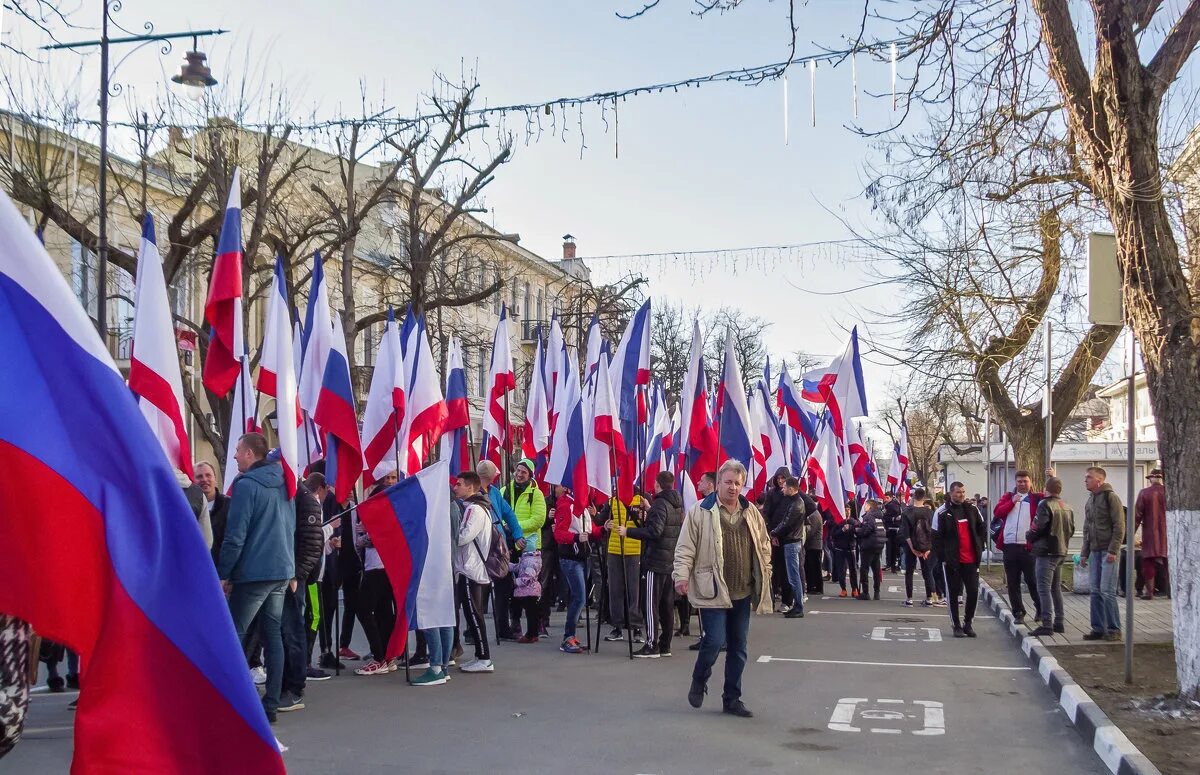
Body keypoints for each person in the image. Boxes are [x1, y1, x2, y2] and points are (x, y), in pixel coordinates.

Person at [675, 460, 773, 719]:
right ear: (717, 483)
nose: (732, 488)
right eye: (728, 482)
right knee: (714, 641)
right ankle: (699, 678)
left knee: (738, 648)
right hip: (713, 588)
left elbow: (763, 545)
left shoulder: (751, 511)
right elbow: (685, 547)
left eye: (737, 483)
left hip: (743, 590)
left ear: (743, 486)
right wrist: (681, 576)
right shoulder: (701, 510)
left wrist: (766, 571)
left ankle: (732, 698)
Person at [217, 433, 295, 723]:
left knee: (233, 633)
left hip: (253, 571)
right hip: (280, 569)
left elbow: (235, 535)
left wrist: (224, 573)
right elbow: (291, 525)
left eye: (237, 450)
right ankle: (271, 702)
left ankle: (231, 700)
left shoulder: (246, 485)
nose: (235, 456)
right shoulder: (285, 480)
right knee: (273, 635)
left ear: (250, 453)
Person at [623, 470, 685, 657]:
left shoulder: (660, 504)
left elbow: (655, 531)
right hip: (669, 561)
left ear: (658, 484)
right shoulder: (676, 504)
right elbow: (666, 524)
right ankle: (665, 644)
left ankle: (651, 645)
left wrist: (628, 532)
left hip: (655, 561)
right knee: (666, 604)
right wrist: (650, 509)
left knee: (650, 604)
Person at [278, 473, 326, 709]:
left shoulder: (305, 499)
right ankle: (282, 680)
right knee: (279, 632)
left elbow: (312, 542)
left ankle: (295, 686)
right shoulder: (285, 495)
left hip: (296, 578)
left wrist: (298, 574)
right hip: (279, 574)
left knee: (294, 629)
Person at [413, 497, 465, 687]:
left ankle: (436, 666)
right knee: (444, 617)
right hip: (446, 564)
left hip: (431, 565)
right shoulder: (451, 505)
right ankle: (442, 666)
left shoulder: (436, 506)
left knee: (431, 617)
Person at [476, 460, 524, 641]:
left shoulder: (494, 492)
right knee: (480, 589)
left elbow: (508, 513)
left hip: (499, 545)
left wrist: (518, 534)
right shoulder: (473, 493)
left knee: (504, 588)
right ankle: (473, 631)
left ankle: (503, 628)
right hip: (482, 545)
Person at [453, 471, 496, 673]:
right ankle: (480, 655)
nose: (455, 487)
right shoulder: (475, 507)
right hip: (469, 568)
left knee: (474, 615)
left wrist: (449, 532)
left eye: (459, 484)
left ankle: (485, 658)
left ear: (470, 487)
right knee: (471, 616)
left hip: (472, 570)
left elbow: (463, 537)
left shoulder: (475, 509)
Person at [933, 482, 986, 638]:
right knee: (953, 593)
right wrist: (943, 557)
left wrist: (980, 548)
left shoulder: (972, 509)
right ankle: (956, 625)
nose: (961, 495)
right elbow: (936, 538)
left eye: (963, 492)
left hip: (971, 560)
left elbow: (981, 529)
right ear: (950, 493)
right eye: (957, 492)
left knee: (973, 591)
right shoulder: (941, 512)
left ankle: (968, 623)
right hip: (952, 561)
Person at [552, 485, 600, 654]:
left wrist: (603, 528)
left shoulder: (582, 506)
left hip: (582, 557)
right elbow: (559, 533)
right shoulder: (566, 505)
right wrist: (576, 537)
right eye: (585, 486)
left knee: (579, 597)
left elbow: (591, 530)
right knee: (579, 597)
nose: (588, 490)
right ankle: (567, 637)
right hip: (570, 559)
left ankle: (570, 636)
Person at [501, 458, 545, 643]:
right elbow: (498, 513)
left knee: (528, 588)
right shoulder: (505, 491)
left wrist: (515, 526)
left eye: (523, 472)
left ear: (530, 475)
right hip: (509, 544)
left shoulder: (536, 494)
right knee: (510, 587)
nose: (519, 475)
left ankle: (533, 629)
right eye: (518, 471)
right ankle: (515, 623)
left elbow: (539, 519)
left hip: (528, 547)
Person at [992, 470, 1043, 625]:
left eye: (1025, 481)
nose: (1022, 484)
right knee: (1013, 582)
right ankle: (1018, 612)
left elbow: (1052, 495)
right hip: (1010, 546)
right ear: (1015, 483)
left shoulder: (1036, 498)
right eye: (1019, 481)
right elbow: (998, 512)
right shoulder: (1008, 497)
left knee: (1032, 581)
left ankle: (1040, 608)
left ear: (1030, 482)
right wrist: (1013, 501)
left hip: (1028, 547)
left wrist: (1052, 477)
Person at [1080, 467, 1125, 642]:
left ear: (1099, 480)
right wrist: (1084, 553)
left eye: (1089, 478)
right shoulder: (1090, 500)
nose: (1086, 481)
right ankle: (1098, 628)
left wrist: (1113, 550)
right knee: (1095, 590)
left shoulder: (1110, 497)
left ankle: (1114, 628)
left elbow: (1119, 525)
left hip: (1108, 551)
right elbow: (1086, 529)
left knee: (1107, 590)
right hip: (1095, 550)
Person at [1027, 477, 1074, 637]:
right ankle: (1059, 621)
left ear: (1046, 488)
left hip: (1046, 550)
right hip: (1061, 550)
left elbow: (1038, 527)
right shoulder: (1066, 506)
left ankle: (1047, 624)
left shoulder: (1044, 504)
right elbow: (1071, 529)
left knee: (1043, 588)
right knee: (1055, 588)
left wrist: (1029, 536)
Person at [602, 493, 646, 643]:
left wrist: (645, 514)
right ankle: (617, 626)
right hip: (614, 550)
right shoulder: (611, 500)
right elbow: (600, 520)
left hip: (634, 550)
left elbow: (649, 524)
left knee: (634, 591)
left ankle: (636, 627)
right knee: (615, 590)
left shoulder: (641, 499)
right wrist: (605, 524)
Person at [770, 477, 815, 618]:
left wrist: (773, 532)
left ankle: (798, 606)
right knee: (792, 576)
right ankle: (797, 605)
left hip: (792, 542)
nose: (782, 489)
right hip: (791, 541)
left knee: (793, 577)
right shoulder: (795, 502)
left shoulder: (797, 504)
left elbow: (787, 523)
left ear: (791, 489)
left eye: (784, 487)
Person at [759, 467, 794, 611]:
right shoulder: (771, 494)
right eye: (778, 478)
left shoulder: (793, 495)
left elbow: (806, 509)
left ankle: (787, 601)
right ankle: (770, 601)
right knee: (773, 570)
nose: (780, 481)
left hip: (789, 538)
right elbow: (766, 512)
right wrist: (771, 533)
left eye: (783, 479)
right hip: (774, 537)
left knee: (787, 572)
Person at [1135, 469, 1168, 600]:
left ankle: (1149, 592)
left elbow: (1137, 515)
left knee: (1148, 563)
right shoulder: (1169, 492)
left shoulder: (1144, 493)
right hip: (1168, 534)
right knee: (1169, 563)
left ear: (1150, 479)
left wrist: (1129, 533)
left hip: (1150, 534)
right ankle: (1170, 592)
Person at [899, 488, 935, 607]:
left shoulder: (906, 512)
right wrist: (928, 548)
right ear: (924, 498)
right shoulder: (930, 512)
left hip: (911, 546)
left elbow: (906, 533)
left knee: (909, 572)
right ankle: (929, 598)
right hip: (926, 547)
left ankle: (909, 599)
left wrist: (913, 549)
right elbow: (933, 531)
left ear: (913, 497)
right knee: (927, 571)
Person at [195, 460, 230, 565]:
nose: (205, 479)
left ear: (215, 478)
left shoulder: (229, 505)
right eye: (199, 476)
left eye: (208, 475)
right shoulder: (188, 509)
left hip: (223, 574)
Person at [855, 498, 886, 601]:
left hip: (868, 545)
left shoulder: (869, 517)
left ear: (869, 506)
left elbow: (866, 530)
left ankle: (865, 592)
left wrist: (857, 530)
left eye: (865, 505)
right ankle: (877, 592)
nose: (864, 507)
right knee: (876, 569)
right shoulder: (879, 517)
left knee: (864, 569)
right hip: (878, 545)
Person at [828, 502, 860, 598]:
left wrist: (851, 529)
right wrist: (842, 530)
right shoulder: (837, 521)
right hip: (840, 548)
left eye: (849, 510)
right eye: (845, 510)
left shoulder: (854, 522)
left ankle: (854, 589)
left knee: (853, 570)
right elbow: (833, 534)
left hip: (851, 548)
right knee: (841, 570)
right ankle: (843, 589)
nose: (847, 512)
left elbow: (858, 533)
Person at [803, 497, 825, 595]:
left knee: (814, 567)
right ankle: (813, 586)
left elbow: (810, 531)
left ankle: (816, 587)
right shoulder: (815, 515)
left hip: (814, 545)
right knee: (811, 566)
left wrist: (803, 533)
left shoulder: (814, 516)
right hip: (813, 545)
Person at [881, 493, 903, 572]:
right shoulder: (887, 505)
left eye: (887, 498)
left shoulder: (892, 505)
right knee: (891, 548)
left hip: (892, 528)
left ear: (891, 498)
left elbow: (886, 517)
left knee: (892, 548)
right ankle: (891, 564)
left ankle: (891, 564)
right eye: (885, 498)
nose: (885, 499)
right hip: (891, 528)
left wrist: (893, 519)